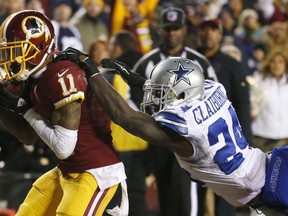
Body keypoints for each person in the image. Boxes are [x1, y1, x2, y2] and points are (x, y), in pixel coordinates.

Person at [55, 47, 288, 216]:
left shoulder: (185, 131)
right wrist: (138, 81)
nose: (156, 99)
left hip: (267, 191)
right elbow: (180, 91)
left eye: (160, 93)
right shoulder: (210, 89)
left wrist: (91, 70)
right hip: (267, 166)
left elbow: (125, 117)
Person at [0, 10, 128, 216]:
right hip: (67, 170)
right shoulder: (34, 74)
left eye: (16, 51)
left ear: (39, 48)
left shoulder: (63, 74)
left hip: (96, 172)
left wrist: (24, 108)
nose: (9, 59)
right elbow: (28, 137)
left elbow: (63, 147)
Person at [132, 7, 218, 216]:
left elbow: (214, 95)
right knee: (165, 191)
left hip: (190, 137)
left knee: (188, 190)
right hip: (159, 137)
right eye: (168, 29)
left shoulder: (199, 61)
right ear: (161, 30)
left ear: (184, 30)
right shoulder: (147, 61)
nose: (172, 33)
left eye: (176, 28)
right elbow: (131, 97)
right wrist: (148, 126)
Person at [198, 17, 253, 216]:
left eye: (213, 29)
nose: (208, 33)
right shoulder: (191, 62)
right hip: (196, 139)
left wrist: (246, 140)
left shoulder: (231, 64)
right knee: (195, 195)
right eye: (204, 29)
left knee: (225, 197)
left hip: (225, 141)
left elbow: (243, 105)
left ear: (220, 34)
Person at [105, 30, 150, 216]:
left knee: (116, 197)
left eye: (111, 46)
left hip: (120, 141)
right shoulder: (148, 64)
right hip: (146, 139)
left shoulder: (116, 71)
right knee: (138, 193)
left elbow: (117, 105)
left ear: (118, 47)